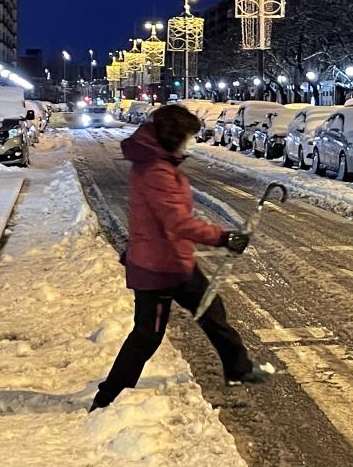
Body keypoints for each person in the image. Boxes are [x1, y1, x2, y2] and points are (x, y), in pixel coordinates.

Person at [90, 105, 272, 412]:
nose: (189, 142)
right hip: (158, 268)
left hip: (171, 261)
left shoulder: (155, 162)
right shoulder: (157, 171)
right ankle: (108, 397)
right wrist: (222, 237)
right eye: (187, 136)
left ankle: (238, 368)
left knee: (212, 312)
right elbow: (177, 222)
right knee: (147, 336)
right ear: (174, 136)